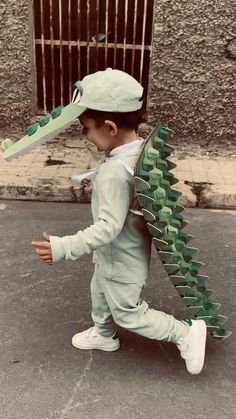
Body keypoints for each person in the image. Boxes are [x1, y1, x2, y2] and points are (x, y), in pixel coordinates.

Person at [31, 68, 207, 375]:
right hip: (118, 253)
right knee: (99, 290)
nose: (84, 135)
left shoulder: (114, 172)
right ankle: (104, 333)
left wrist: (63, 247)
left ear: (110, 127)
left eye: (85, 128)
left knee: (127, 312)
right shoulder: (137, 153)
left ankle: (184, 332)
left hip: (123, 258)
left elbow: (107, 228)